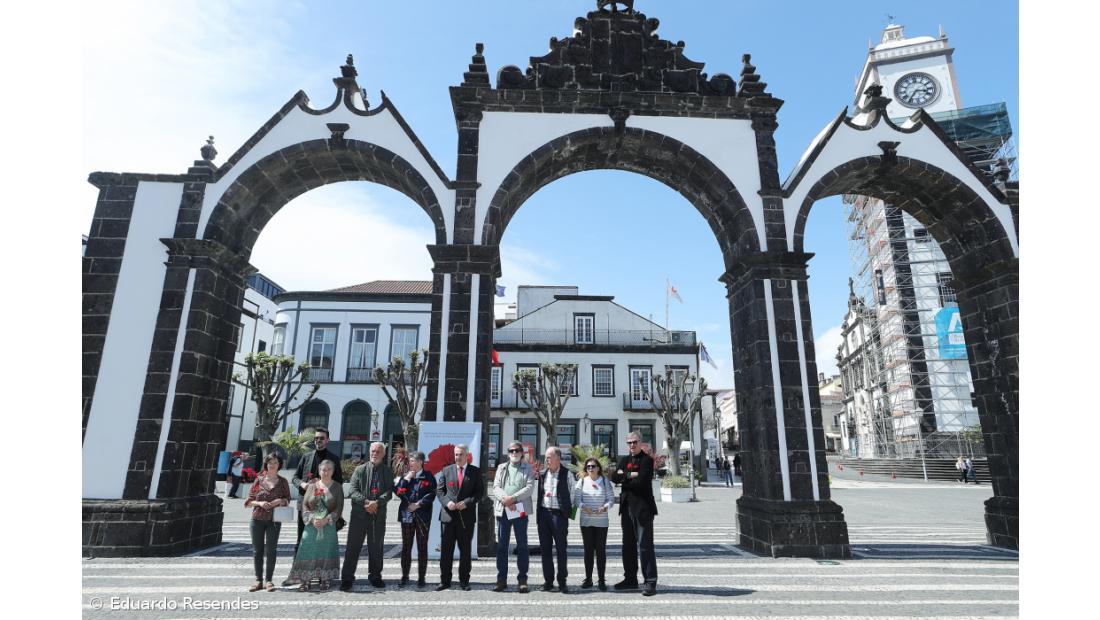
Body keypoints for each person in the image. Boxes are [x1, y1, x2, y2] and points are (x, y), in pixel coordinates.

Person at [611, 431, 658, 596]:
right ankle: (630, 578)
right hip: (626, 509)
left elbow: (642, 482)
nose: (632, 445)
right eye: (629, 442)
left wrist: (624, 476)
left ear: (641, 442)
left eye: (635, 442)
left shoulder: (647, 460)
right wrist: (629, 476)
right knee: (628, 546)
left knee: (645, 546)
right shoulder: (624, 460)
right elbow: (613, 477)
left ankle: (650, 581)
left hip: (643, 509)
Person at [341, 442, 394, 591]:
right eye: (372, 451)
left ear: (383, 454)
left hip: (378, 515)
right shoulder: (360, 469)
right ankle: (347, 578)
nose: (374, 454)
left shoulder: (387, 471)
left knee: (376, 548)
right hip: (359, 515)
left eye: (378, 451)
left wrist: (377, 503)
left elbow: (390, 491)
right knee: (352, 547)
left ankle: (375, 576)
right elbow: (353, 490)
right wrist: (366, 502)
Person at [287, 459, 343, 591]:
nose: (326, 472)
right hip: (311, 525)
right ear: (319, 471)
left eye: (329, 469)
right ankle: (305, 579)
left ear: (333, 471)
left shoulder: (337, 487)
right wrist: (312, 519)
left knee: (326, 551)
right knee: (306, 549)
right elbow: (305, 505)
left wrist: (326, 520)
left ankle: (325, 578)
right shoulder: (312, 486)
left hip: (328, 526)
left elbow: (339, 508)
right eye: (323, 469)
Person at [435, 444, 484, 591]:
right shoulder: (446, 470)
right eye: (456, 454)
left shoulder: (475, 472)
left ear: (467, 455)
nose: (458, 457)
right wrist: (447, 502)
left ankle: (464, 581)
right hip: (448, 517)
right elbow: (440, 491)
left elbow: (479, 493)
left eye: (461, 454)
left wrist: (468, 503)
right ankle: (445, 581)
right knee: (446, 551)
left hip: (466, 517)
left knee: (465, 551)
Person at [291, 428, 345, 558]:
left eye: (321, 438)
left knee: (323, 541)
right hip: (306, 505)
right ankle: (297, 571)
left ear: (328, 440)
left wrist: (325, 484)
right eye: (316, 438)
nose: (318, 440)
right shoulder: (306, 457)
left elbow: (339, 482)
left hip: (326, 507)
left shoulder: (334, 459)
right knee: (302, 538)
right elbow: (295, 478)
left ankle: (320, 572)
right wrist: (303, 484)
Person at [490, 441, 535, 593]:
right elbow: (495, 487)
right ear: (508, 453)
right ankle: (501, 580)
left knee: (522, 546)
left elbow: (529, 488)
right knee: (502, 546)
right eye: (511, 451)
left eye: (517, 450)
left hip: (519, 508)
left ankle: (522, 580)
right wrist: (505, 499)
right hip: (504, 509)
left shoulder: (528, 468)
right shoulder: (501, 467)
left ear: (522, 453)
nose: (514, 453)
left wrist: (513, 499)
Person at [244, 453, 291, 592]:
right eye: (270, 462)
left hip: (274, 521)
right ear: (266, 464)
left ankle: (269, 580)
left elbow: (288, 499)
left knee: (271, 550)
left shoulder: (283, 482)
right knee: (257, 550)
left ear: (279, 465)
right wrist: (259, 502)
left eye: (275, 462)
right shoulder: (258, 480)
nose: (272, 464)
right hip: (257, 519)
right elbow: (248, 502)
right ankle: (258, 580)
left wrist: (280, 501)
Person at [573, 456, 615, 591]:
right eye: (588, 467)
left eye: (593, 466)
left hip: (602, 521)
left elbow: (611, 499)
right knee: (588, 551)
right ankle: (588, 579)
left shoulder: (605, 481)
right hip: (586, 521)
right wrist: (583, 507)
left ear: (598, 468)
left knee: (601, 551)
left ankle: (601, 580)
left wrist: (605, 507)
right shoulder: (581, 482)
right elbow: (576, 500)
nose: (590, 468)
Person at [395, 451, 436, 588]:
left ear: (420, 462)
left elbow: (432, 494)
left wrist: (418, 505)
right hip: (407, 516)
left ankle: (421, 578)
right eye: (410, 461)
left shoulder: (428, 476)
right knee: (406, 547)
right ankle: (405, 576)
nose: (410, 463)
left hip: (422, 516)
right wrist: (406, 479)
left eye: (412, 461)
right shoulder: (405, 477)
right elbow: (398, 492)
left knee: (422, 547)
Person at [536, 446, 574, 593]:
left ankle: (562, 581)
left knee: (561, 550)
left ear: (558, 459)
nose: (546, 460)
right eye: (546, 457)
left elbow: (574, 495)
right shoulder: (543, 474)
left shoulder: (567, 474)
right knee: (545, 550)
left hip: (559, 516)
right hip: (544, 514)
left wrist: (570, 514)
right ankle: (548, 581)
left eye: (549, 457)